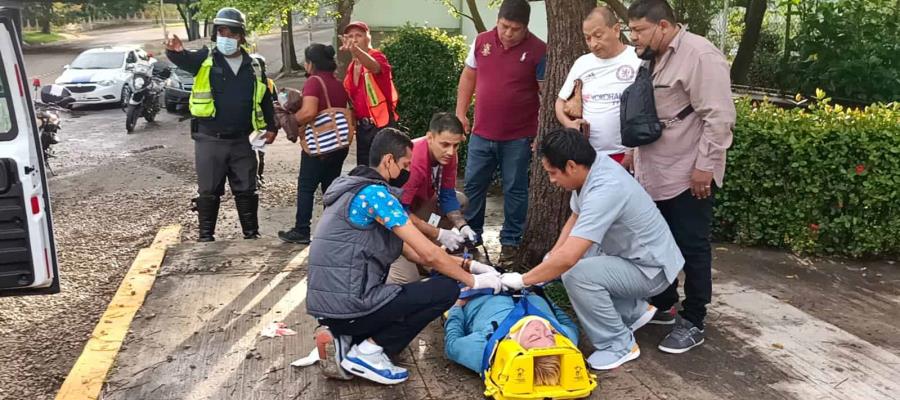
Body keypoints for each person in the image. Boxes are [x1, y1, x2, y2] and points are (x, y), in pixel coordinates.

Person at [306, 128, 504, 385]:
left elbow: (412, 253)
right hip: (353, 304)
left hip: (331, 307)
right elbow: (428, 253)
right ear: (388, 161)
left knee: (412, 291)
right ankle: (370, 350)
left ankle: (348, 340)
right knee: (444, 290)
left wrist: (471, 265)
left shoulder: (348, 191)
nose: (407, 173)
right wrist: (473, 282)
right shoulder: (376, 195)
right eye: (405, 165)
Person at [499, 129, 684, 370]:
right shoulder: (594, 168)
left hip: (652, 270)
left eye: (553, 173)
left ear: (572, 166)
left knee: (576, 273)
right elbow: (575, 218)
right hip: (637, 259)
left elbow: (568, 259)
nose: (552, 180)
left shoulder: (605, 189)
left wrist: (524, 280)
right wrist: (552, 255)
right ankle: (633, 312)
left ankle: (619, 344)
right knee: (569, 257)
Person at [627, 0, 735, 353]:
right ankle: (665, 303)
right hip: (652, 169)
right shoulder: (650, 55)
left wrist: (705, 166)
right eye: (631, 29)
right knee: (654, 243)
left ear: (662, 26)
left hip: (688, 171)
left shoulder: (700, 55)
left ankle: (694, 319)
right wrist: (632, 155)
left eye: (639, 30)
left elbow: (719, 117)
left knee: (692, 246)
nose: (634, 36)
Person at [165, 7, 277, 242]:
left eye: (232, 33)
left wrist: (272, 126)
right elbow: (183, 59)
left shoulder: (254, 66)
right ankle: (206, 236)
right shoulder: (205, 59)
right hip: (209, 139)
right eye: (222, 32)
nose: (227, 37)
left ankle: (251, 234)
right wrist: (175, 51)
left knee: (247, 188)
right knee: (208, 190)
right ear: (216, 34)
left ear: (241, 36)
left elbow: (265, 97)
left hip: (242, 141)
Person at [456, 0, 547, 267]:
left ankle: (510, 245)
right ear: (497, 20)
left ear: (526, 28)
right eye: (504, 26)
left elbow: (545, 93)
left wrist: (539, 132)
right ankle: (471, 241)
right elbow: (468, 77)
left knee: (515, 190)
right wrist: (461, 113)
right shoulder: (482, 41)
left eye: (515, 29)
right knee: (473, 187)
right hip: (482, 133)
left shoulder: (539, 50)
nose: (508, 33)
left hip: (519, 137)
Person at [387, 112, 475, 284]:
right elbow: (400, 211)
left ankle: (426, 255)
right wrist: (439, 233)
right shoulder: (414, 160)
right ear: (430, 137)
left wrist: (462, 226)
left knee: (461, 200)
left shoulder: (449, 156)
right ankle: (413, 256)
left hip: (418, 203)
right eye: (445, 144)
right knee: (407, 279)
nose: (450, 151)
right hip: (392, 216)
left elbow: (447, 195)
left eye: (456, 146)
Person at [278, 44, 351, 244]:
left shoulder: (314, 82)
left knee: (306, 186)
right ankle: (331, 230)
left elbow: (309, 112)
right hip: (338, 144)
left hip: (320, 145)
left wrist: (290, 122)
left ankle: (302, 229)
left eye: (306, 61)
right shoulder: (338, 83)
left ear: (311, 64)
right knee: (330, 187)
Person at [556, 6, 641, 168]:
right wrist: (569, 124)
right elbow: (560, 102)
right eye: (588, 38)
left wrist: (634, 150)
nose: (593, 44)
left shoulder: (636, 59)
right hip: (589, 155)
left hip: (628, 153)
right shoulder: (583, 63)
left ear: (616, 30)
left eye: (598, 35)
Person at [444, 290, 578, 382]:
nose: (542, 329)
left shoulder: (484, 350)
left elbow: (452, 344)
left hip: (480, 294)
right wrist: (548, 299)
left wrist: (457, 306)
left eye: (535, 337)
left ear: (516, 348)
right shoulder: (566, 337)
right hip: (526, 287)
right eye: (550, 336)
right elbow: (569, 324)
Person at [340, 20, 399, 166]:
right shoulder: (352, 66)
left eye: (358, 35)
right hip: (363, 128)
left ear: (368, 38)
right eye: (351, 36)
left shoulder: (378, 56)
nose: (354, 40)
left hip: (381, 125)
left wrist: (356, 51)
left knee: (383, 169)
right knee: (364, 169)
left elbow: (375, 67)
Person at [249, 53, 277, 188]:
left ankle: (258, 176)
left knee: (258, 153)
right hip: (259, 125)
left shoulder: (268, 83)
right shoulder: (265, 82)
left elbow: (274, 100)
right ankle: (257, 177)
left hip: (260, 125)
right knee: (257, 153)